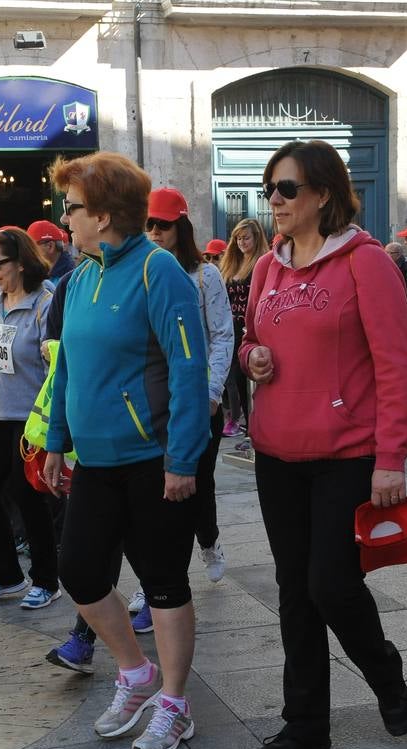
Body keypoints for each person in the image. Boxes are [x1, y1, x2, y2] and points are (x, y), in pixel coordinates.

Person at [240, 140, 407, 749]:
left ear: (323, 194)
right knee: (295, 590)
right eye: (270, 190)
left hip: (348, 454)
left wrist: (391, 459)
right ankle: (306, 722)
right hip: (276, 453)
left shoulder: (366, 263)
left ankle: (384, 671)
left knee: (331, 583)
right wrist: (252, 358)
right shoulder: (267, 267)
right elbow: (252, 341)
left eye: (286, 189)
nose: (275, 201)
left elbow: (396, 366)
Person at [41, 150, 208, 749]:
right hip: (95, 461)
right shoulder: (80, 277)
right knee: (80, 571)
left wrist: (183, 459)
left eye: (73, 208)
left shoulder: (158, 272)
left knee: (163, 584)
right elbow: (68, 370)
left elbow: (190, 370)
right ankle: (135, 674)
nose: (65, 219)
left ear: (106, 214)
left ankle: (174, 702)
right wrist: (57, 438)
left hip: (153, 459)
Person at [142, 186, 234, 610]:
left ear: (181, 226)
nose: (156, 232)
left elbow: (222, 335)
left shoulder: (205, 275)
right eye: (149, 225)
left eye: (163, 224)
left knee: (196, 484)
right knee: (157, 492)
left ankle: (209, 542)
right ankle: (158, 579)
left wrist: (212, 391)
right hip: (154, 401)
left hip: (197, 399)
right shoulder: (142, 273)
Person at [0, 228, 60, 610]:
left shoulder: (45, 303)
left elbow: (55, 365)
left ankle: (46, 580)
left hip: (32, 418)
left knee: (27, 495)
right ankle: (4, 574)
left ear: (21, 262)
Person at [220, 218, 269, 443]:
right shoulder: (231, 263)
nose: (241, 243)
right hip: (230, 327)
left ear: (256, 238)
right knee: (232, 377)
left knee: (246, 376)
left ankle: (253, 425)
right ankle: (239, 420)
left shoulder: (262, 262)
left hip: (250, 326)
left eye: (245, 238)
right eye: (238, 238)